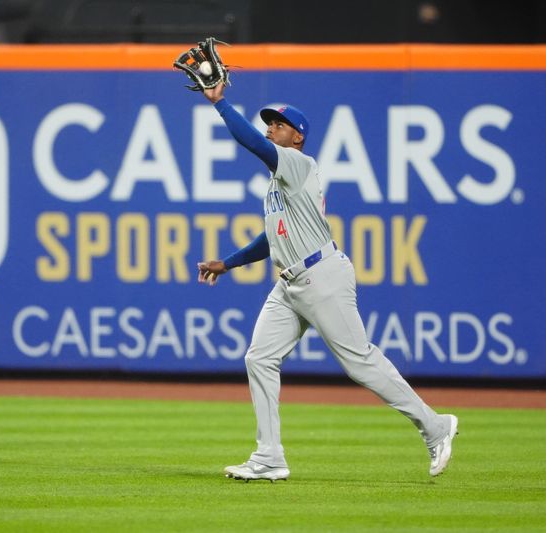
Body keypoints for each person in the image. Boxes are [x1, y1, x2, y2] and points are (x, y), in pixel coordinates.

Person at [195, 81, 458, 481]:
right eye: (269, 123)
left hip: (321, 276)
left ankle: (435, 426)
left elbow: (254, 144)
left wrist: (221, 103)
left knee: (361, 362)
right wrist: (229, 263)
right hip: (288, 284)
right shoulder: (279, 184)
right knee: (259, 358)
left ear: (296, 136)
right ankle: (269, 457)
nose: (270, 128)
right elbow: (272, 238)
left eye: (279, 124)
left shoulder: (300, 165)